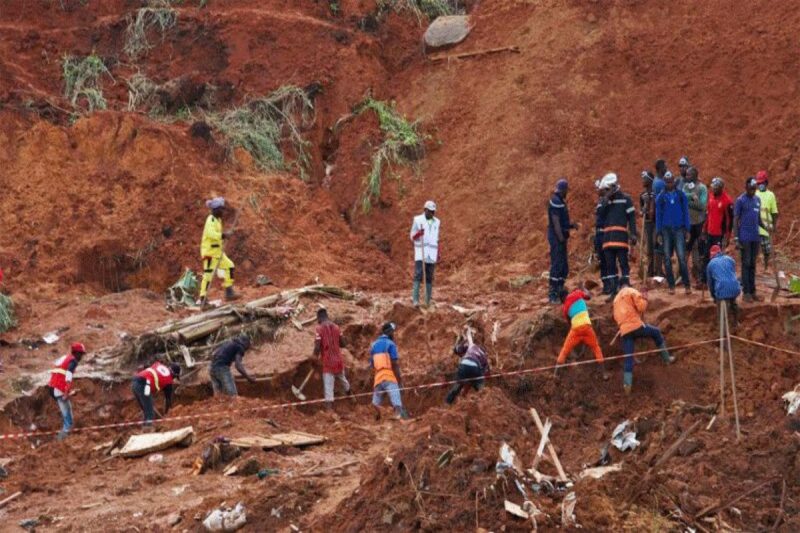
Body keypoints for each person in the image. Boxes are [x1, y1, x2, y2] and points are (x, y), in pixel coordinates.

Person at [613, 287, 675, 394]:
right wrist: (645, 298)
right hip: (636, 326)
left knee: (628, 357)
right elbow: (641, 307)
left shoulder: (616, 300)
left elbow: (616, 317)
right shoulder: (632, 291)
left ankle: (627, 386)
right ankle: (667, 359)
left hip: (624, 331)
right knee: (656, 332)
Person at [598, 173, 637, 300]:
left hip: (620, 239)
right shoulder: (604, 201)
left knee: (623, 263)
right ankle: (614, 290)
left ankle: (625, 287)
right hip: (607, 239)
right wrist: (605, 199)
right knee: (610, 265)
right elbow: (599, 216)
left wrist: (633, 234)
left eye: (607, 190)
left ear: (614, 187)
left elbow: (631, 218)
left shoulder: (626, 199)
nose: (606, 192)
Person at [555, 286, 607, 379]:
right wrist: (584, 288)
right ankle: (604, 374)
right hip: (587, 327)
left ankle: (556, 373)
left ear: (562, 297)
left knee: (565, 350)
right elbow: (589, 296)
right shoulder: (577, 293)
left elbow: (569, 322)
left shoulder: (565, 308)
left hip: (576, 329)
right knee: (596, 348)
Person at [198, 197, 238, 306]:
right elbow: (212, 235)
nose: (223, 212)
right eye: (221, 209)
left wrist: (225, 235)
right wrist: (224, 235)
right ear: (215, 210)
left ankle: (229, 291)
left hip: (218, 252)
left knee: (229, 266)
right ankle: (203, 298)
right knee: (208, 275)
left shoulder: (218, 220)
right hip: (210, 253)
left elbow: (218, 235)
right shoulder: (210, 220)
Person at [656, 172, 691, 294]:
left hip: (679, 229)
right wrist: (659, 232)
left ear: (674, 181)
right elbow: (658, 215)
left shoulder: (681, 195)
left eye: (670, 181)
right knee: (667, 258)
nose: (669, 184)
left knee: (681, 257)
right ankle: (671, 286)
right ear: (664, 183)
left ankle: (687, 285)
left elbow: (686, 212)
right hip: (666, 230)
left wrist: (687, 229)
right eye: (667, 182)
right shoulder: (661, 197)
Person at [313, 308, 353, 410]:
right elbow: (343, 344)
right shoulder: (336, 327)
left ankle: (329, 408)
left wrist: (314, 358)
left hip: (328, 362)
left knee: (328, 385)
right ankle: (351, 397)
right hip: (338, 361)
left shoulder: (319, 329)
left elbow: (317, 347)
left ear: (319, 318)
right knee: (343, 379)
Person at [369, 322, 409, 420]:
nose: (394, 334)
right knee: (396, 402)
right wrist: (399, 381)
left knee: (376, 403)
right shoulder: (390, 344)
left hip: (378, 377)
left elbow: (372, 364)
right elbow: (394, 364)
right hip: (388, 376)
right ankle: (398, 415)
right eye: (393, 332)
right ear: (390, 332)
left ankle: (376, 416)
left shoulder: (374, 345)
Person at [547, 179, 578, 302]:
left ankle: (560, 289)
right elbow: (555, 222)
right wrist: (560, 238)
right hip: (557, 238)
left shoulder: (560, 201)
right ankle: (553, 292)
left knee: (564, 266)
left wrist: (571, 226)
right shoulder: (555, 201)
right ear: (563, 190)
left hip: (561, 238)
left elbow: (561, 221)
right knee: (557, 264)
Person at [47, 342, 86, 440]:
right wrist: (66, 393)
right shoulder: (73, 361)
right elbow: (68, 375)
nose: (81, 357)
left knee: (67, 413)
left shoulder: (65, 358)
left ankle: (64, 437)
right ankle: (61, 439)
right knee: (68, 417)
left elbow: (61, 374)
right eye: (80, 354)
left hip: (53, 387)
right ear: (76, 353)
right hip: (58, 389)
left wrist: (68, 392)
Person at [734, 177, 764, 302]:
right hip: (744, 237)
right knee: (746, 264)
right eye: (751, 188)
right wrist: (736, 237)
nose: (752, 190)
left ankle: (753, 291)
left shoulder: (757, 200)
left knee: (752, 264)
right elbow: (736, 220)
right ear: (746, 187)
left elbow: (758, 219)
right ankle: (746, 292)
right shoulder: (740, 200)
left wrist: (767, 228)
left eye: (754, 188)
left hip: (755, 237)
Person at [445, 328, 490, 404]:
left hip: (464, 364)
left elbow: (458, 350)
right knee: (479, 385)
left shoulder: (472, 346)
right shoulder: (484, 356)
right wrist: (480, 379)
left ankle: (448, 403)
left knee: (458, 385)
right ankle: (483, 399)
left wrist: (457, 346)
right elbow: (487, 371)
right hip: (475, 366)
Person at [410, 200, 441, 307]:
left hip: (432, 253)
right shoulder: (418, 220)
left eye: (433, 212)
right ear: (425, 210)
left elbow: (437, 239)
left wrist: (438, 252)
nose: (432, 214)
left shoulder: (437, 222)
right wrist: (419, 233)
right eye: (430, 211)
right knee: (418, 274)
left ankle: (427, 301)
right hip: (421, 252)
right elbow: (412, 237)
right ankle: (415, 300)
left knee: (429, 276)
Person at [132, 361, 181, 426]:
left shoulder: (159, 365)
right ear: (174, 374)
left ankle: (145, 428)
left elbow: (149, 370)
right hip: (142, 385)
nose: (173, 379)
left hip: (135, 382)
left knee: (146, 410)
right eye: (174, 377)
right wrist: (167, 414)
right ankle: (148, 431)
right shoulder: (168, 381)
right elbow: (168, 400)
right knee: (150, 413)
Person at [682, 166, 708, 288]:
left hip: (699, 223)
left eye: (689, 175)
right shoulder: (685, 187)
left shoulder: (702, 188)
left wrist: (689, 200)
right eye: (686, 175)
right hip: (687, 224)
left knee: (698, 251)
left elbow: (702, 206)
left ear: (695, 175)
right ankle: (682, 276)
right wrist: (691, 196)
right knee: (685, 250)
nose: (686, 177)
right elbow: (682, 198)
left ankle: (699, 278)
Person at [702, 177, 734, 274]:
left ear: (720, 188)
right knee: (706, 256)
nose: (713, 189)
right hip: (710, 232)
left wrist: (727, 237)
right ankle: (704, 280)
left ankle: (717, 278)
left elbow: (730, 220)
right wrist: (704, 229)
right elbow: (708, 214)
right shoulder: (711, 197)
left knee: (717, 258)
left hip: (720, 234)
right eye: (713, 188)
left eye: (715, 188)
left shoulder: (727, 201)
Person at [706, 245, 742, 329]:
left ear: (712, 255)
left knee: (721, 312)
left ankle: (723, 332)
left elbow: (710, 283)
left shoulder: (710, 264)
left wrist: (714, 296)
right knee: (733, 302)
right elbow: (731, 274)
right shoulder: (730, 259)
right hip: (735, 288)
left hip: (722, 290)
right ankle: (736, 323)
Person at [755, 170, 779, 270]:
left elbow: (774, 212)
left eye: (762, 183)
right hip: (755, 226)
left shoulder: (771, 195)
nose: (761, 185)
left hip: (766, 227)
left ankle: (765, 267)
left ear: (766, 183)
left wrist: (773, 225)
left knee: (766, 249)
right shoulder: (755, 194)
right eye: (759, 183)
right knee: (754, 249)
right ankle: (754, 268)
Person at [594, 180, 614, 294]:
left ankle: (610, 285)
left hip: (605, 234)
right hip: (599, 234)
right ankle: (606, 285)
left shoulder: (606, 201)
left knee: (607, 260)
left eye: (598, 188)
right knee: (602, 260)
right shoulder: (601, 201)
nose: (597, 190)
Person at [639, 171, 658, 277]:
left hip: (655, 223)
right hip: (647, 224)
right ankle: (650, 271)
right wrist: (644, 208)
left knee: (656, 245)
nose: (643, 181)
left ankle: (658, 269)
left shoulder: (656, 194)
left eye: (645, 179)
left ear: (650, 180)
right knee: (649, 247)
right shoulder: (642, 195)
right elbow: (641, 211)